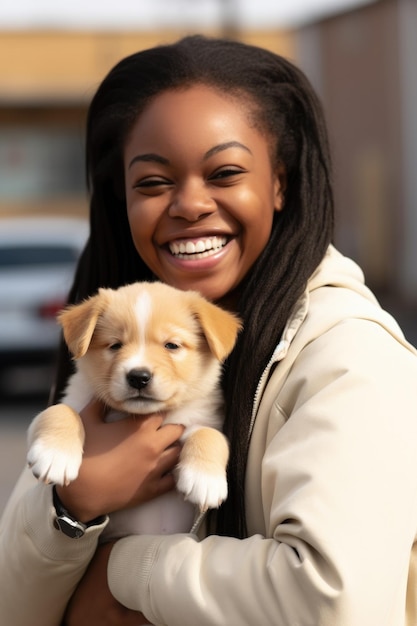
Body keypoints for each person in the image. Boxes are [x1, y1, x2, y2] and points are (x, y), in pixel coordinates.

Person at [1, 34, 417, 626]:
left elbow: (336, 602)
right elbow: (11, 605)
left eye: (224, 172)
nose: (190, 204)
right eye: (151, 181)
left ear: (280, 182)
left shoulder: (349, 358)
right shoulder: (107, 347)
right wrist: (74, 507)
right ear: (121, 197)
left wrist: (122, 572)